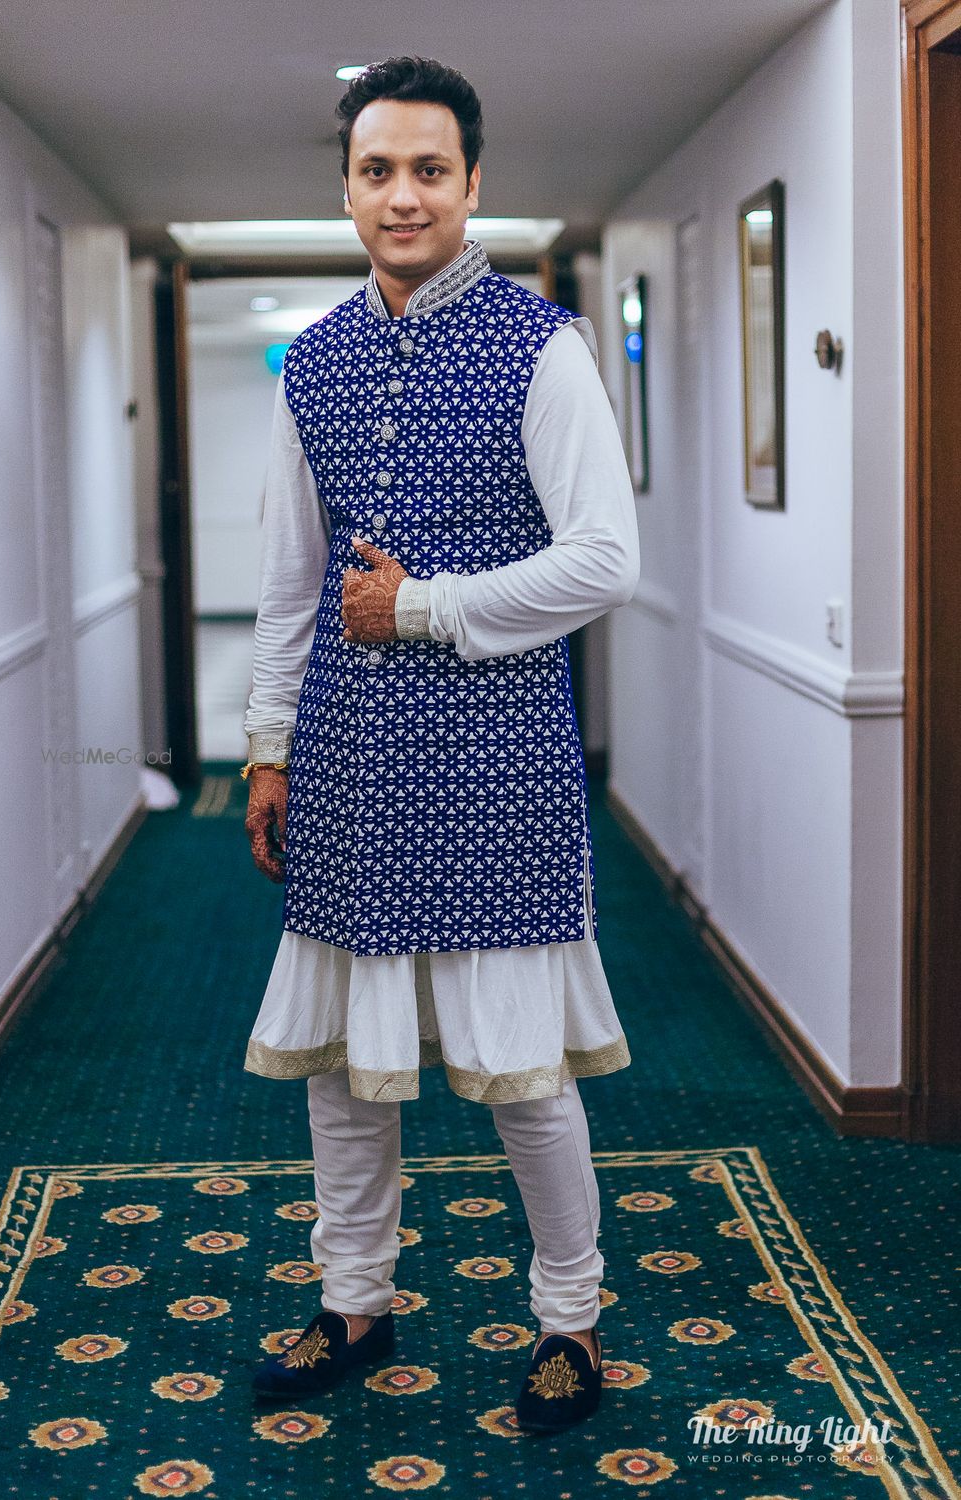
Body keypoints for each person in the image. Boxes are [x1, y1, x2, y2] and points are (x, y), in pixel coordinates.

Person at [241, 54, 640, 1434]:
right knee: (350, 1080)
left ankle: (570, 1323)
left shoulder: (544, 345)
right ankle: (356, 1296)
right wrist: (266, 744)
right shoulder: (318, 360)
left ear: (475, 184)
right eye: (375, 169)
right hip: (348, 762)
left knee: (523, 1081)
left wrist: (425, 606)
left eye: (427, 169)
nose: (400, 194)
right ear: (345, 187)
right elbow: (291, 581)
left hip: (498, 766)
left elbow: (606, 560)